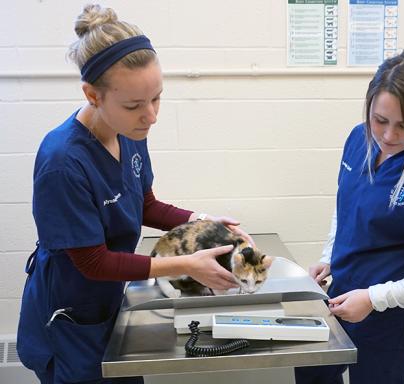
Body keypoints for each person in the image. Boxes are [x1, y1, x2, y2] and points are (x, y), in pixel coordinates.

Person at [16, 4, 253, 384]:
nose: (151, 116)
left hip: (111, 303)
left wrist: (200, 222)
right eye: (134, 105)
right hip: (71, 314)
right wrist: (186, 265)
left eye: (156, 98)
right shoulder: (63, 163)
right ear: (92, 95)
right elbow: (92, 262)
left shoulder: (130, 132)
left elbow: (144, 204)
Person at [295, 49, 404, 384]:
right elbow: (347, 206)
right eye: (380, 120)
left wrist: (375, 299)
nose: (388, 137)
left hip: (391, 317)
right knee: (310, 371)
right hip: (341, 294)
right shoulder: (359, 140)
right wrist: (329, 257)